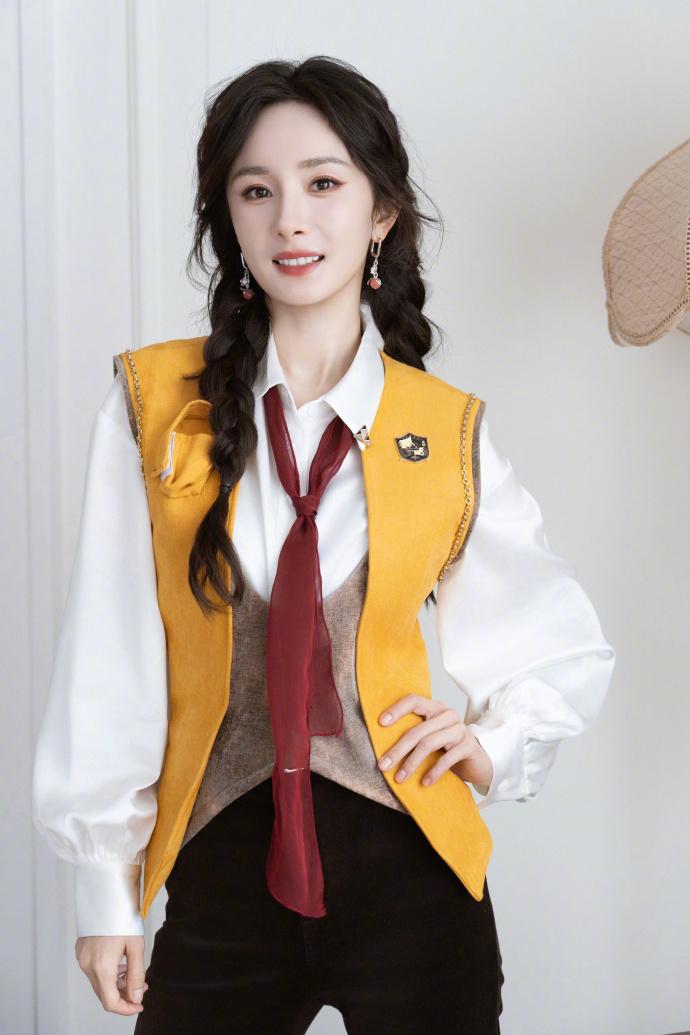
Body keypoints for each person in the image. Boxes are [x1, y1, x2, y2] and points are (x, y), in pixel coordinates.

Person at [32, 55, 616, 1034]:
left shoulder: (446, 430)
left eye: (323, 184)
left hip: (417, 885)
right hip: (222, 873)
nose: (290, 221)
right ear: (228, 218)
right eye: (256, 191)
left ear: (381, 210)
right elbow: (110, 654)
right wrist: (105, 887)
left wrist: (494, 740)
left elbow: (556, 641)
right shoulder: (153, 406)